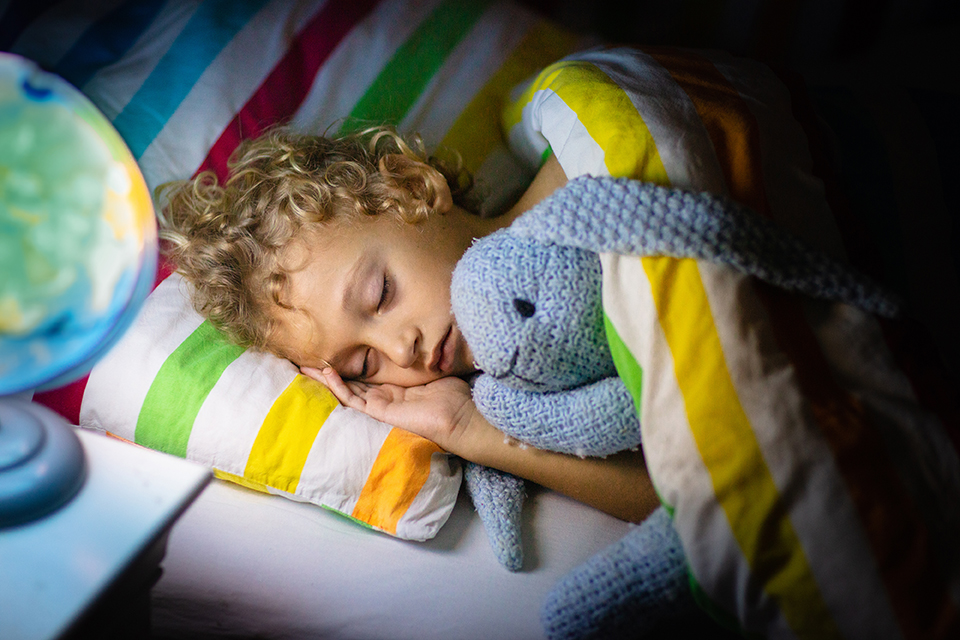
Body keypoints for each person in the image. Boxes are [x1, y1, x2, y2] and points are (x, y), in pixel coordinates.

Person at [159, 125, 659, 524]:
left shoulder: (590, 168)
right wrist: (464, 427)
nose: (401, 351)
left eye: (382, 294)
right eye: (363, 363)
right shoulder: (511, 399)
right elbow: (695, 497)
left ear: (414, 187)